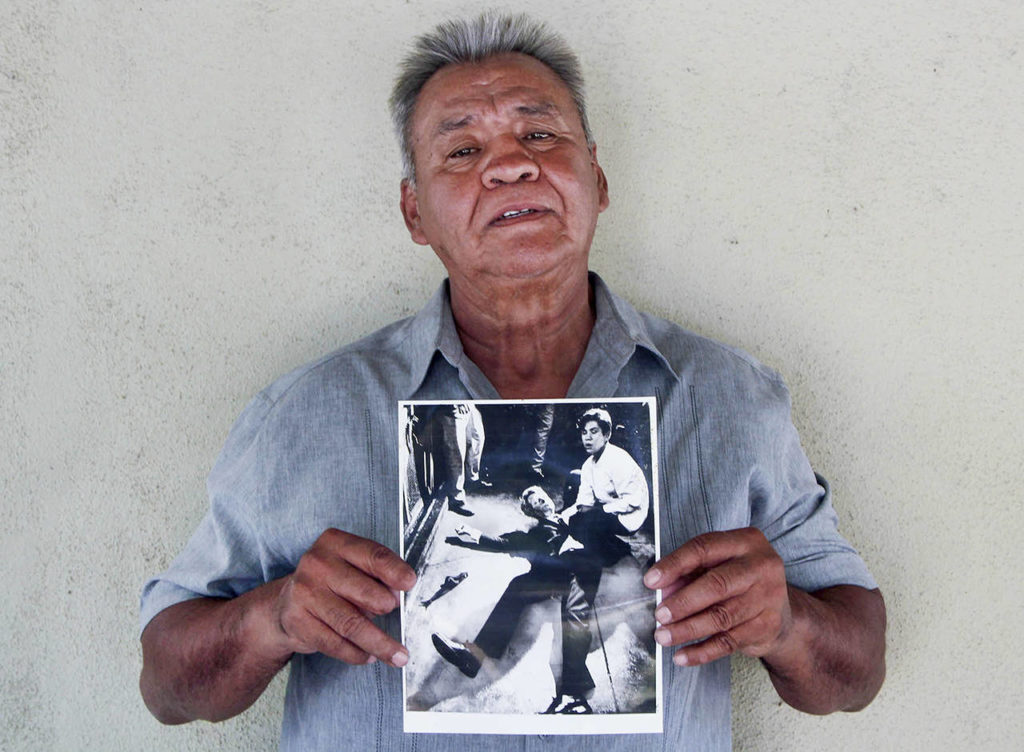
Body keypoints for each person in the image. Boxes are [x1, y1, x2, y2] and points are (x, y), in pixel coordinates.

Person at [139, 12, 886, 751]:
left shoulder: (730, 398)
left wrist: (788, 621)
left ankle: (560, 680)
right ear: (415, 213)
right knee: (536, 567)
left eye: (540, 134)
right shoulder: (305, 414)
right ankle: (528, 666)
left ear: (595, 178)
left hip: (601, 549)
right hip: (559, 543)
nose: (509, 164)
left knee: (554, 577)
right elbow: (168, 688)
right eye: (462, 149)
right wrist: (271, 618)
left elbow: (854, 673)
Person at [433, 486, 599, 714]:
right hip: (553, 577)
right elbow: (503, 543)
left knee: (573, 622)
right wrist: (473, 536)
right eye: (536, 503)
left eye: (543, 497)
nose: (543, 502)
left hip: (575, 573)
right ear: (532, 513)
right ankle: (472, 659)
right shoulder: (537, 533)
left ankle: (575, 695)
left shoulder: (567, 516)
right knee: (517, 585)